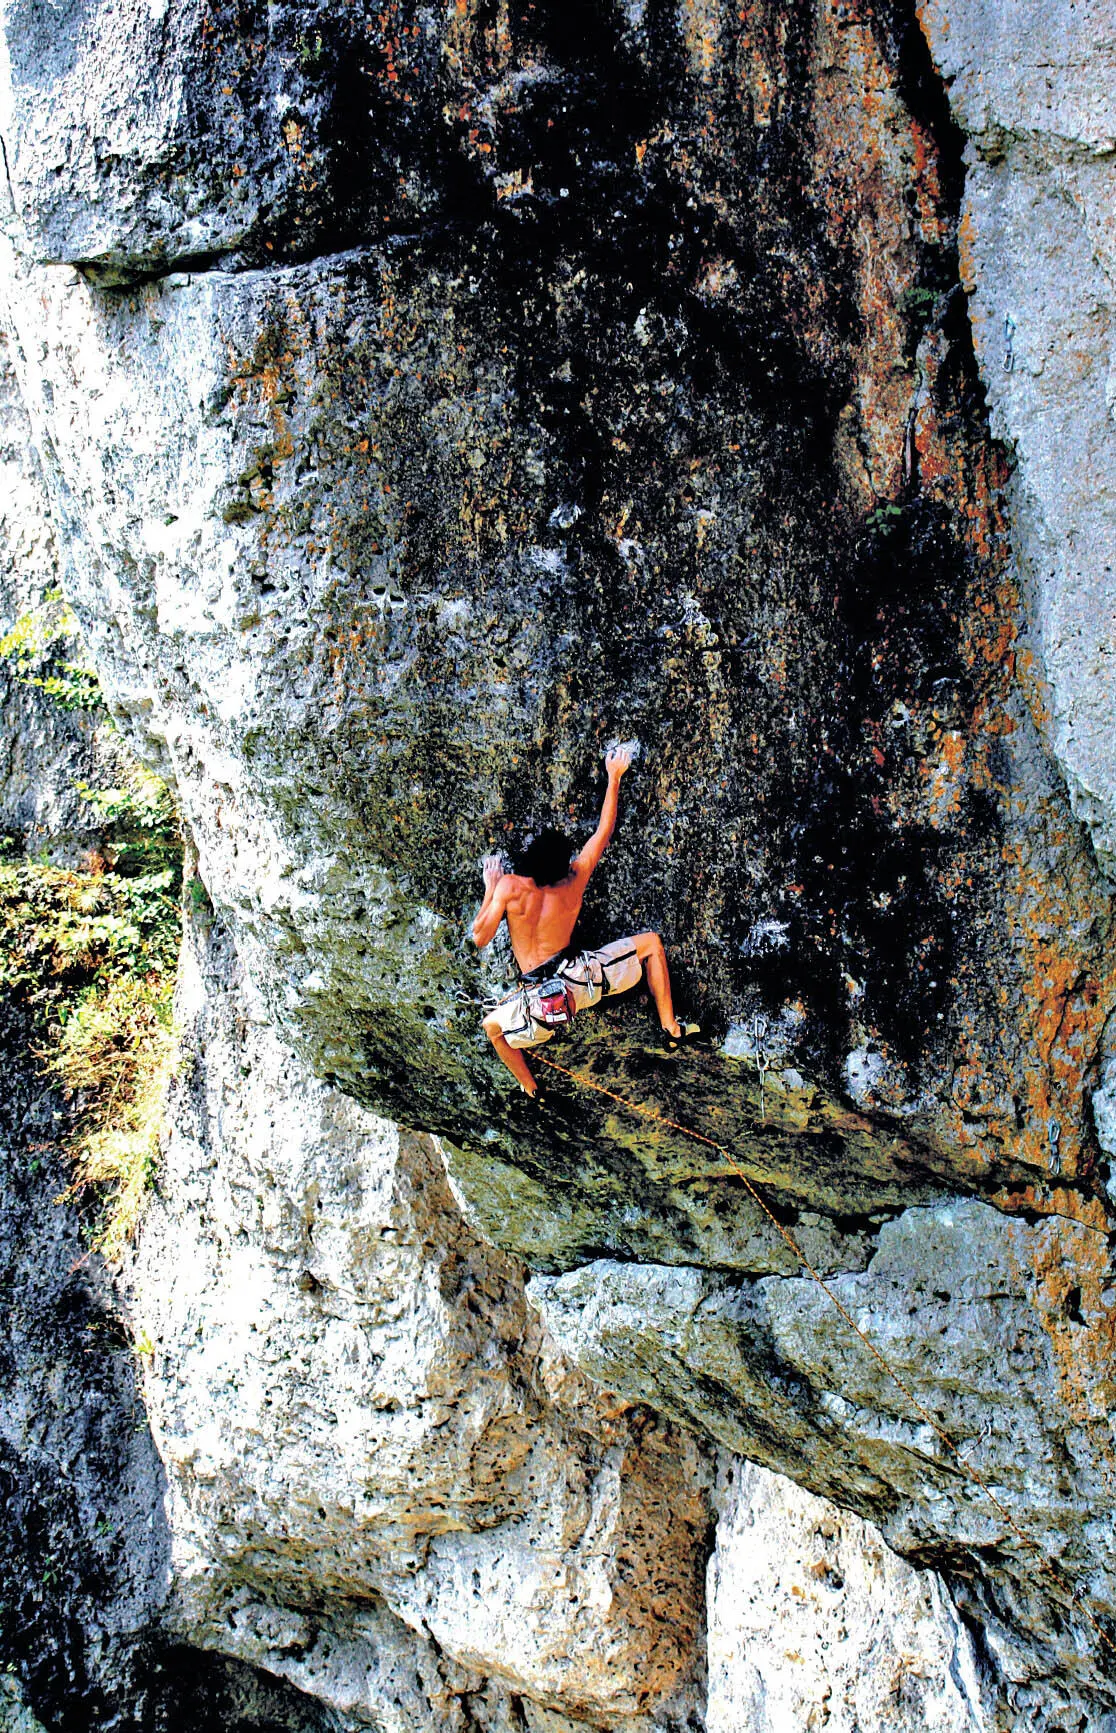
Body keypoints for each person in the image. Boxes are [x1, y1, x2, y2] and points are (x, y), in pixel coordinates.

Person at [472, 743, 699, 1097]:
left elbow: (480, 937)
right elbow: (603, 833)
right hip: (581, 984)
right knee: (652, 945)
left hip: (538, 1006)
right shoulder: (574, 878)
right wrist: (614, 777)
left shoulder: (510, 888)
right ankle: (671, 1029)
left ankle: (531, 1088)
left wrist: (490, 888)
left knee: (492, 1029)